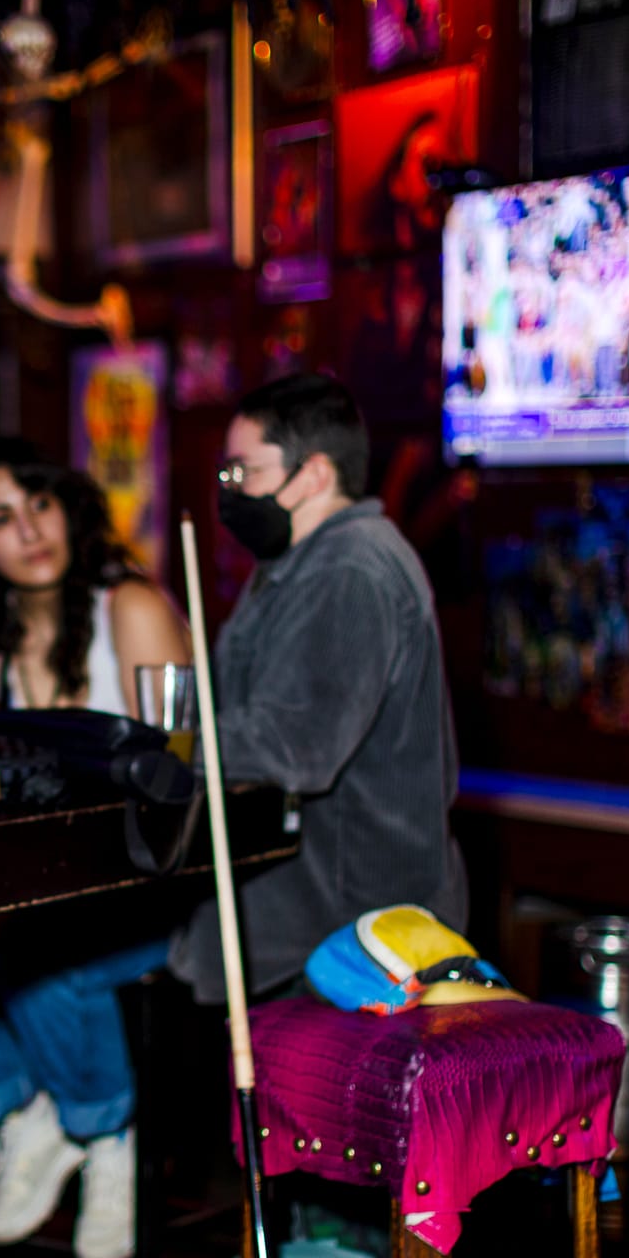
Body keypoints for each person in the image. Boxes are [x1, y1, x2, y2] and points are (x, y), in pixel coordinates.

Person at [0, 438, 191, 1258]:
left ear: (71, 511)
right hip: (55, 893)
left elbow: (189, 779)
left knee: (38, 952)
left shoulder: (130, 609)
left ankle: (100, 1125)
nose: (31, 530)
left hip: (165, 890)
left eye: (41, 503)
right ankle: (21, 1110)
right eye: (2, 518)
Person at [170, 372, 468, 1004]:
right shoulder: (299, 561)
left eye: (244, 471)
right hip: (312, 925)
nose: (231, 489)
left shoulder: (349, 567)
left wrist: (165, 747)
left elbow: (296, 744)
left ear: (312, 474)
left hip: (347, 936)